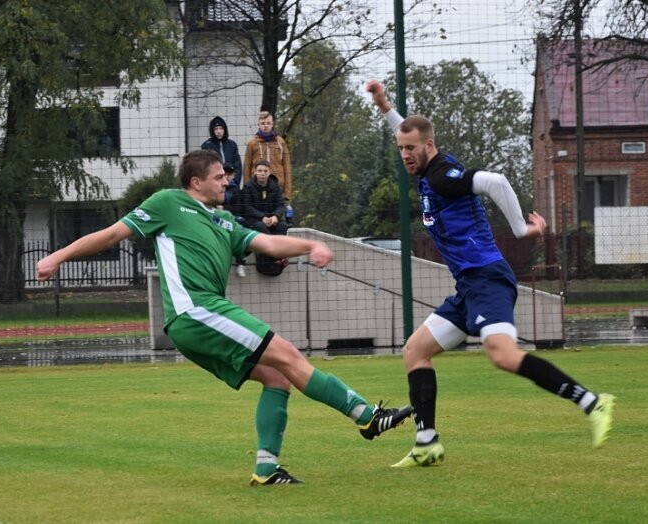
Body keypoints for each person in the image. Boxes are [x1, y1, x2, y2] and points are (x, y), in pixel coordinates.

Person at [36, 149, 413, 485]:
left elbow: (267, 243)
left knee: (278, 377)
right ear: (196, 182)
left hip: (200, 318)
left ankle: (266, 469)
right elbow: (111, 235)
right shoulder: (168, 202)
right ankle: (366, 415)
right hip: (195, 311)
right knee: (288, 355)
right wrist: (57, 256)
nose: (227, 181)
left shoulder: (223, 220)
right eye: (219, 176)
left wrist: (310, 244)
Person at [365, 79, 615, 468]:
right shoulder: (427, 168)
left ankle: (592, 402)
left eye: (411, 149)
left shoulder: (441, 175)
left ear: (429, 147)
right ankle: (427, 442)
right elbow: (408, 129)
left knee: (502, 354)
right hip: (468, 286)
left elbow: (495, 182)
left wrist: (519, 229)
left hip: (487, 278)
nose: (405, 155)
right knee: (415, 351)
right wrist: (385, 106)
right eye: (401, 149)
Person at [243, 111, 292, 204]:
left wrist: (287, 193)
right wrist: (247, 191)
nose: (266, 126)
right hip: (256, 186)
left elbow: (287, 167)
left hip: (278, 186)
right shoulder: (252, 143)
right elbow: (246, 167)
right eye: (263, 123)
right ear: (258, 124)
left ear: (272, 124)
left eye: (268, 123)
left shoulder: (280, 142)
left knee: (278, 215)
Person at [243, 159, 288, 236]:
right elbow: (247, 207)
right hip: (255, 220)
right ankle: (268, 247)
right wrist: (262, 217)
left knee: (283, 226)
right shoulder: (248, 187)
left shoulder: (275, 186)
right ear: (255, 172)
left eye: (265, 171)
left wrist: (275, 216)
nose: (262, 173)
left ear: (269, 172)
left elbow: (280, 205)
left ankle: (279, 247)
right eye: (259, 171)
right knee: (260, 227)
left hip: (272, 218)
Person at [223, 167, 249, 278]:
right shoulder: (215, 187)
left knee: (242, 223)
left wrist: (224, 207)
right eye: (225, 174)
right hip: (217, 219)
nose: (228, 177)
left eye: (230, 174)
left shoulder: (236, 190)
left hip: (233, 218)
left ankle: (241, 261)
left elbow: (239, 209)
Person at [201, 116, 242, 184]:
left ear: (225, 129)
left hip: (231, 183)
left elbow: (238, 166)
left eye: (221, 128)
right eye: (216, 129)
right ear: (212, 130)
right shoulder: (206, 146)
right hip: (215, 183)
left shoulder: (232, 145)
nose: (219, 131)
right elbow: (205, 167)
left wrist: (235, 181)